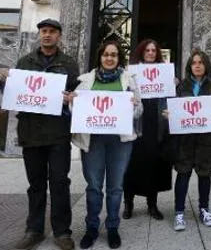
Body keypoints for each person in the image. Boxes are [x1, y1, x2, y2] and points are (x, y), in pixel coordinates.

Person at [11, 19, 79, 250]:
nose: (47, 35)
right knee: (36, 184)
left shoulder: (69, 64)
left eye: (52, 32)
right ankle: (34, 230)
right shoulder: (24, 62)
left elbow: (75, 93)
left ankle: (62, 232)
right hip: (31, 131)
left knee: (60, 182)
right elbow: (15, 92)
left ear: (59, 35)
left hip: (58, 132)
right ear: (39, 35)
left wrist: (71, 98)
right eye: (44, 32)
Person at [70, 39, 143, 249]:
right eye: (106, 54)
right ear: (100, 57)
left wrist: (135, 105)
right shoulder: (84, 80)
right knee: (93, 187)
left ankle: (112, 227)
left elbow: (140, 111)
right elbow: (78, 113)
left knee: (115, 187)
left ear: (119, 58)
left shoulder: (129, 80)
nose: (109, 58)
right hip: (93, 140)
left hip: (120, 141)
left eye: (114, 55)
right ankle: (92, 227)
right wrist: (73, 103)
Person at [167, 49, 211, 231]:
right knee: (183, 174)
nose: (197, 65)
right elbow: (174, 107)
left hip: (207, 140)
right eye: (194, 62)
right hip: (185, 140)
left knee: (205, 176)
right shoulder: (182, 85)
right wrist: (169, 114)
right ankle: (179, 212)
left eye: (200, 62)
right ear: (190, 66)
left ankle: (204, 209)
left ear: (206, 65)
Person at [122, 39, 173, 221]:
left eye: (154, 50)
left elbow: (170, 98)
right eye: (147, 50)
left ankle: (152, 204)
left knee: (154, 166)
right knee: (132, 166)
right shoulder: (131, 73)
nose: (151, 53)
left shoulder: (164, 72)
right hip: (137, 124)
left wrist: (173, 84)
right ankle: (128, 203)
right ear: (142, 53)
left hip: (156, 124)